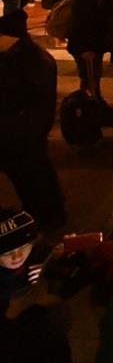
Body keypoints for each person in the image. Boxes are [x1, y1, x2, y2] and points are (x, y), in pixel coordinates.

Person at [0, 23, 66, 228]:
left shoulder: (29, 61)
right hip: (17, 132)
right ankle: (41, 213)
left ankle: (47, 217)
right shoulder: (16, 57)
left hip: (21, 134)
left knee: (34, 176)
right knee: (31, 176)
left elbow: (29, 103)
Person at [0, 209, 73, 363]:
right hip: (7, 347)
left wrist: (67, 257)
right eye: (5, 252)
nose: (17, 256)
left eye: (23, 247)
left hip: (48, 339)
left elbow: (68, 280)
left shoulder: (43, 256)